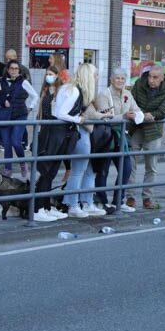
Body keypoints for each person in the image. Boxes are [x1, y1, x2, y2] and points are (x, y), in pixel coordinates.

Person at [58, 64, 107, 218]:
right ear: (88, 76)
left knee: (86, 169)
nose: (97, 78)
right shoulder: (75, 91)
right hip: (78, 132)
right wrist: (78, 119)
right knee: (79, 170)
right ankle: (73, 204)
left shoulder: (77, 90)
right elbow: (61, 113)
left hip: (81, 132)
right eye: (95, 75)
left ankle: (82, 202)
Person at [94, 69, 143, 213]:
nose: (120, 81)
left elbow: (137, 109)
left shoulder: (128, 94)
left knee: (126, 168)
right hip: (107, 136)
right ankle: (102, 201)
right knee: (103, 169)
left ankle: (118, 201)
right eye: (117, 78)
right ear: (111, 79)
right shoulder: (104, 95)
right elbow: (105, 116)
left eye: (123, 78)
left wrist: (137, 115)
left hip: (122, 136)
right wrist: (124, 116)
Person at [127, 63, 165, 209]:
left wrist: (151, 115)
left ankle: (147, 197)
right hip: (136, 128)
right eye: (150, 77)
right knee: (131, 164)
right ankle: (130, 197)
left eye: (155, 78)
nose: (151, 80)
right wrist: (140, 114)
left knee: (151, 166)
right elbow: (132, 102)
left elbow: (164, 111)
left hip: (153, 130)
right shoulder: (139, 83)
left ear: (162, 78)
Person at [31, 66, 73, 222]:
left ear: (57, 76)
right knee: (45, 170)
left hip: (59, 132)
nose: (48, 76)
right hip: (47, 133)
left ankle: (47, 207)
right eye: (47, 74)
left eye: (51, 74)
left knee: (52, 171)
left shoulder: (62, 91)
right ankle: (39, 208)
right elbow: (41, 113)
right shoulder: (44, 92)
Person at [0, 59, 36, 180]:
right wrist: (4, 102)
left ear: (19, 70)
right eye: (11, 68)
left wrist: (30, 108)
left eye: (16, 69)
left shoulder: (23, 82)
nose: (14, 71)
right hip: (5, 116)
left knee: (16, 141)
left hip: (20, 114)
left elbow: (35, 96)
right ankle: (8, 170)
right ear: (8, 70)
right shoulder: (1, 81)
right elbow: (1, 97)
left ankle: (23, 163)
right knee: (7, 144)